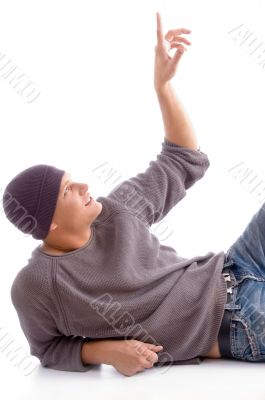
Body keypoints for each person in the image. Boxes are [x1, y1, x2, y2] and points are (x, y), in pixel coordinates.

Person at [3, 12, 262, 378]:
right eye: (68, 191)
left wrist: (163, 87)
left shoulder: (115, 210)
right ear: (51, 222)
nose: (83, 187)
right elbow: (47, 348)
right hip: (236, 323)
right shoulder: (38, 285)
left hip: (236, 266)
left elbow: (181, 158)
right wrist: (106, 351)